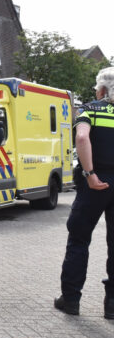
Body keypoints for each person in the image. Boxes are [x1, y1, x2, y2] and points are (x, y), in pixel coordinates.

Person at [55, 66, 114, 318]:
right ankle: (112, 306)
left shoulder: (90, 108)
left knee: (79, 239)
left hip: (95, 182)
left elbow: (81, 138)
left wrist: (90, 174)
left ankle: (71, 300)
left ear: (102, 89)